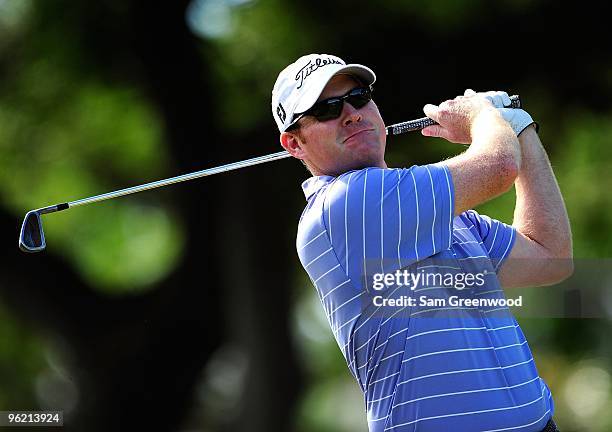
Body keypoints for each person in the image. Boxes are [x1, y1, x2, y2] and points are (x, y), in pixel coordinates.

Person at [271, 54, 573, 432]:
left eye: (359, 97)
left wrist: (522, 129)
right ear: (293, 143)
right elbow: (498, 167)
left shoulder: (441, 212)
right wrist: (483, 116)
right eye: (327, 108)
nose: (351, 113)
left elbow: (551, 257)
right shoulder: (342, 205)